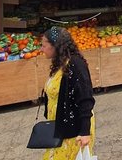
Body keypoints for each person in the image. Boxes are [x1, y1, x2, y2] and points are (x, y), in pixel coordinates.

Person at [40, 26, 95, 159]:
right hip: (61, 126)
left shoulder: (75, 64)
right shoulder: (60, 63)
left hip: (75, 130)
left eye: (44, 45)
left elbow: (85, 98)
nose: (41, 49)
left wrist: (85, 132)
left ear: (55, 46)